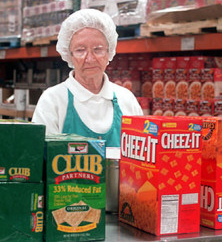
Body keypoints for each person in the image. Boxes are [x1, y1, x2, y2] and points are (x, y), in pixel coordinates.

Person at [32, 9, 143, 147]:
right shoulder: (53, 100)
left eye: (98, 49)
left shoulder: (126, 99)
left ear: (109, 52)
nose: (90, 59)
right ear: (69, 54)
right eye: (80, 50)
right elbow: (40, 154)